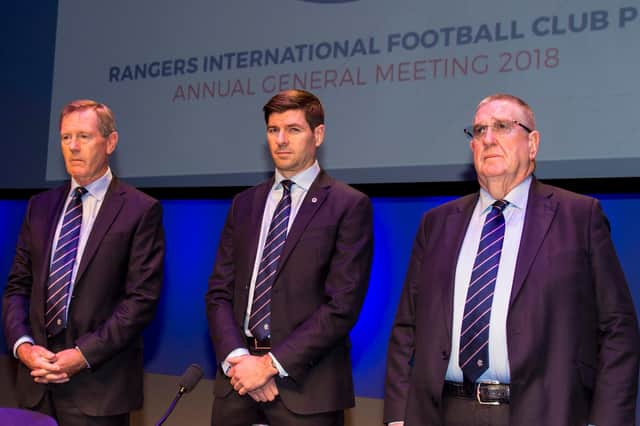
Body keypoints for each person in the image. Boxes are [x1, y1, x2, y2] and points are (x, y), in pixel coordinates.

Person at [384, 93, 640, 426]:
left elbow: (618, 329)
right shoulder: (437, 223)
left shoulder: (579, 216)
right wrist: (398, 415)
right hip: (443, 412)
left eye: (502, 127)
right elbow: (406, 327)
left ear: (532, 144)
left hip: (544, 414)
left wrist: (607, 420)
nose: (487, 139)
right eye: (478, 131)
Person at [205, 89, 373, 426]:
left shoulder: (348, 205)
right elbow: (219, 293)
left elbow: (341, 306)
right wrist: (240, 360)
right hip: (237, 385)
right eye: (273, 130)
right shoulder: (244, 204)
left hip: (307, 392)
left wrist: (268, 366)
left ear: (318, 134)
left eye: (293, 129)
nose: (281, 140)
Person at [2, 100, 165, 426]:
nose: (73, 147)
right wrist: (23, 347)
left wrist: (81, 355)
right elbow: (17, 286)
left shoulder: (140, 209)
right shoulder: (40, 206)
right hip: (36, 385)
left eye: (84, 137)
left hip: (99, 389)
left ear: (111, 142)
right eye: (66, 138)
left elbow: (140, 301)